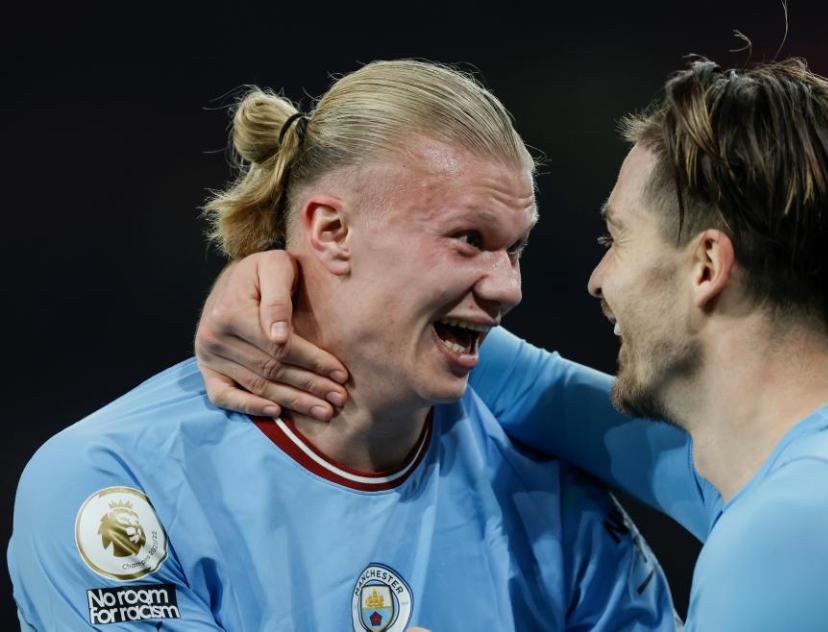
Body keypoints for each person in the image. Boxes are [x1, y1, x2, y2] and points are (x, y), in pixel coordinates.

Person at [197, 57, 828, 630]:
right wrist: (284, 270)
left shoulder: (802, 527)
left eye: (616, 239)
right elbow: (533, 389)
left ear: (705, 267)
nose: (598, 280)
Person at [8, 60, 678, 631]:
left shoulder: (555, 500)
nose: (507, 288)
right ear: (330, 231)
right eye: (469, 239)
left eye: (516, 248)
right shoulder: (114, 481)